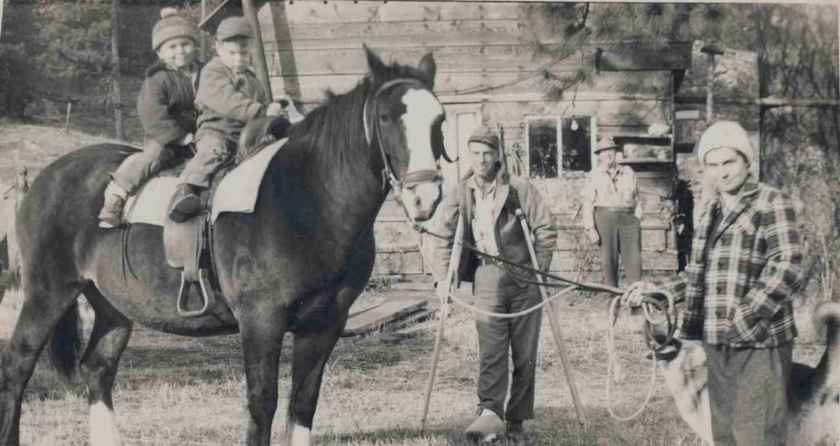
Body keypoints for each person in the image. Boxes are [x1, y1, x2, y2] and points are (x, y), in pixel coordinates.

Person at [623, 120, 803, 446]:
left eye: (730, 162)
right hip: (716, 341)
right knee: (725, 434)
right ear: (704, 169)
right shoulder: (709, 212)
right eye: (713, 164)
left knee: (756, 435)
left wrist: (746, 315)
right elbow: (697, 274)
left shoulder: (771, 202)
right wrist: (660, 291)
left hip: (760, 341)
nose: (722, 172)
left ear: (747, 162)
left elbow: (787, 264)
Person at [432, 126, 556, 442]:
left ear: (497, 155)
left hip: (523, 277)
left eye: (487, 153)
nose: (482, 160)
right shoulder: (461, 191)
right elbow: (444, 237)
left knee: (525, 354)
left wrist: (539, 271)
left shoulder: (519, 187)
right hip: (486, 277)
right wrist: (442, 279)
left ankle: (516, 421)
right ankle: (489, 415)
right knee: (491, 351)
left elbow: (545, 229)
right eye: (475, 154)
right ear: (469, 156)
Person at [167, 16, 288, 222]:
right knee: (213, 151)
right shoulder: (213, 72)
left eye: (244, 53)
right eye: (233, 53)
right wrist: (261, 111)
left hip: (247, 134)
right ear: (218, 49)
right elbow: (227, 101)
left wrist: (275, 109)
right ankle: (187, 189)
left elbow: (263, 103)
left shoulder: (252, 78)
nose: (239, 58)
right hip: (217, 129)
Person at [98, 7, 204, 228]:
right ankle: (117, 194)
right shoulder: (157, 79)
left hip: (202, 133)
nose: (180, 51)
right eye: (172, 47)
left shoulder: (206, 72)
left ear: (195, 45)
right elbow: (152, 113)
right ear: (160, 53)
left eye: (185, 44)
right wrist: (179, 136)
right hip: (166, 137)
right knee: (152, 158)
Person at [581, 139, 643, 287]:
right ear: (599, 156)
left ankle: (636, 302)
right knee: (609, 262)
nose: (608, 154)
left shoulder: (628, 172)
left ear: (616, 153)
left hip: (628, 219)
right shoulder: (593, 175)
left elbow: (638, 199)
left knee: (634, 261)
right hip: (605, 219)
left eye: (611, 150)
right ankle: (612, 302)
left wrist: (638, 218)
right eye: (604, 151)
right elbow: (587, 203)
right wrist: (590, 229)